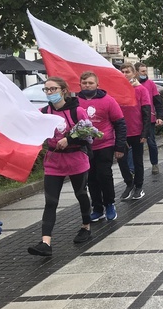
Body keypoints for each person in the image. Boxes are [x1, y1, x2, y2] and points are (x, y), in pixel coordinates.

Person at [28, 77, 93, 256]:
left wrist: (69, 139)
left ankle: (86, 226)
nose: (49, 93)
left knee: (81, 194)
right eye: (46, 90)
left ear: (63, 90)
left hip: (76, 160)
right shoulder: (44, 112)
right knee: (51, 201)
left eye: (53, 89)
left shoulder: (77, 111)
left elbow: (89, 133)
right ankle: (45, 243)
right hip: (54, 162)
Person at [77, 71, 127, 222]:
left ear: (97, 85)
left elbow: (120, 124)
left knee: (104, 175)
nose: (87, 85)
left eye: (90, 83)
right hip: (85, 147)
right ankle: (98, 208)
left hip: (105, 144)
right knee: (91, 178)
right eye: (84, 83)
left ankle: (110, 204)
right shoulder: (75, 102)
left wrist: (119, 147)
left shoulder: (108, 101)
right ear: (80, 84)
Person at [117, 63, 151, 200]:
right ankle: (129, 183)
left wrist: (145, 133)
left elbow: (146, 112)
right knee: (121, 160)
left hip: (136, 130)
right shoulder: (117, 89)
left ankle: (138, 186)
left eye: (127, 72)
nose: (124, 74)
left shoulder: (141, 90)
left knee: (137, 161)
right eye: (122, 72)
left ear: (134, 74)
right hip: (121, 132)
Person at [135, 62, 163, 174]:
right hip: (135, 120)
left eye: (146, 71)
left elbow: (158, 102)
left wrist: (160, 116)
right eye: (142, 71)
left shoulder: (150, 84)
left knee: (151, 143)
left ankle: (154, 164)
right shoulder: (132, 84)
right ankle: (136, 167)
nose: (145, 73)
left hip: (149, 119)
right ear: (136, 72)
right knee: (137, 145)